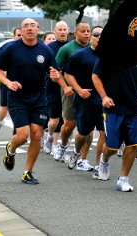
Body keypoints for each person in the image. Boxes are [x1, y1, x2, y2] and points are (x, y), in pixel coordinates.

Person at [0, 18, 60, 184]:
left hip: (39, 97)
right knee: (22, 136)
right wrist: (8, 83)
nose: (29, 28)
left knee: (36, 134)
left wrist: (55, 76)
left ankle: (27, 172)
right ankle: (11, 149)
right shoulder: (11, 48)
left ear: (38, 30)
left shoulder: (45, 50)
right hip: (17, 97)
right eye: (25, 26)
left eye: (32, 26)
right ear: (20, 31)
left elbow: (55, 71)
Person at [92, 54, 137, 192]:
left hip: (134, 108)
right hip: (113, 107)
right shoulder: (110, 53)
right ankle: (104, 160)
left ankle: (123, 179)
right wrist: (104, 96)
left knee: (133, 144)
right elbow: (95, 76)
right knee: (112, 146)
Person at [64, 26, 106, 176]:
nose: (99, 37)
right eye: (96, 34)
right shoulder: (80, 55)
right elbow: (68, 74)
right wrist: (79, 90)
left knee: (104, 133)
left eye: (102, 35)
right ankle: (76, 152)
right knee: (83, 133)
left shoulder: (109, 56)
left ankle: (98, 166)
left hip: (103, 100)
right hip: (85, 99)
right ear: (91, 38)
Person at [53, 22, 91, 165]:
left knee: (88, 126)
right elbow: (55, 71)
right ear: (75, 33)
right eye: (83, 31)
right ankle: (62, 146)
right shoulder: (66, 49)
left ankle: (83, 159)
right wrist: (65, 87)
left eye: (88, 31)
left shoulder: (94, 48)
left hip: (90, 92)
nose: (86, 33)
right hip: (72, 91)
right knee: (69, 124)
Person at [43, 21, 70, 155]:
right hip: (52, 86)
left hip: (69, 87)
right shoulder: (49, 48)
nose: (62, 32)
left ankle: (57, 145)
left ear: (68, 31)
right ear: (55, 31)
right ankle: (49, 136)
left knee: (67, 119)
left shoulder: (71, 46)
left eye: (65, 29)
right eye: (60, 29)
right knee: (54, 120)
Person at [0, 27, 22, 137]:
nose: (21, 37)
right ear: (13, 37)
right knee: (4, 107)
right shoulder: (8, 47)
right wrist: (5, 77)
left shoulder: (31, 46)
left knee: (19, 108)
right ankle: (0, 122)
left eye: (22, 35)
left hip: (23, 84)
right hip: (7, 82)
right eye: (18, 35)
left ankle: (16, 130)